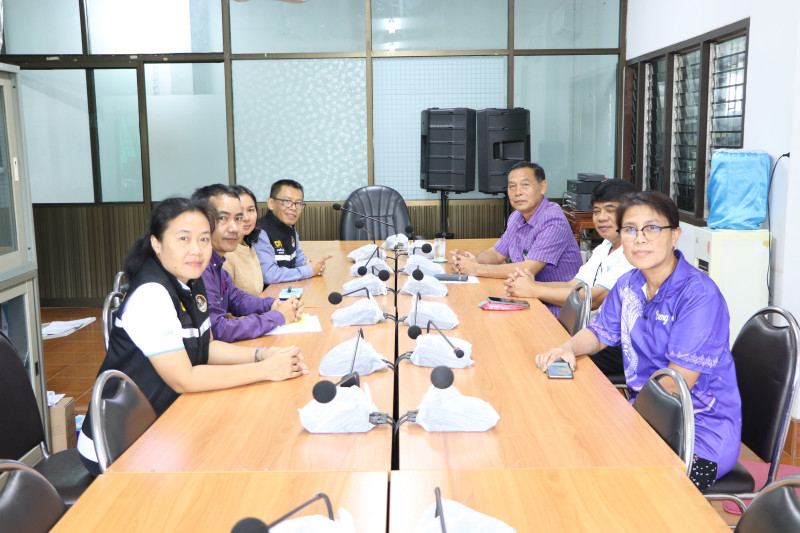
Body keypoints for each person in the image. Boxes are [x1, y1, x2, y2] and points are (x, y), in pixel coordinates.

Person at [77, 197, 308, 476]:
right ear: (157, 243)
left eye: (203, 239)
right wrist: (265, 370)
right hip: (122, 443)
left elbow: (206, 348)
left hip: (167, 418)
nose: (196, 250)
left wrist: (261, 355)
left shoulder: (191, 281)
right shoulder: (152, 295)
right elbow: (184, 379)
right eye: (183, 239)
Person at [535, 191, 742, 491]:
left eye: (652, 228)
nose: (640, 239)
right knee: (568, 451)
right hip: (644, 418)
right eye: (630, 229)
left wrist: (616, 421)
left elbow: (675, 385)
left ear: (675, 235)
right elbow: (599, 333)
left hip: (697, 435)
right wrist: (567, 348)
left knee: (610, 485)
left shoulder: (699, 296)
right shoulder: (629, 284)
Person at [504, 179, 637, 377]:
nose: (601, 218)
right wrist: (531, 284)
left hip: (617, 344)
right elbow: (574, 286)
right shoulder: (606, 246)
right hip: (590, 334)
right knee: (524, 344)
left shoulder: (635, 252)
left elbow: (593, 299)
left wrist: (533, 289)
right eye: (597, 211)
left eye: (610, 210)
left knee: (539, 361)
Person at [450, 161, 582, 316]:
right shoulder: (516, 217)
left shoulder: (553, 219)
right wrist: (467, 262)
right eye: (512, 186)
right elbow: (496, 254)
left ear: (543, 187)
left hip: (555, 309)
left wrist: (476, 269)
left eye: (525, 185)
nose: (518, 192)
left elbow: (527, 269)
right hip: (526, 299)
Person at [193, 184, 303, 343]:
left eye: (237, 218)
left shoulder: (216, 262)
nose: (234, 227)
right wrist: (277, 316)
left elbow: (236, 299)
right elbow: (217, 329)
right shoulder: (198, 266)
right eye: (223, 218)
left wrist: (274, 304)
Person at [254, 179, 332, 285]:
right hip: (267, 293)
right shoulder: (260, 232)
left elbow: (297, 257)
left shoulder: (290, 227)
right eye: (287, 201)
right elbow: (270, 275)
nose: (294, 208)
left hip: (286, 288)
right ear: (271, 203)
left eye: (298, 203)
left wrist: (309, 263)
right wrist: (309, 270)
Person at [222, 184, 266, 296]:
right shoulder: (224, 254)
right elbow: (228, 303)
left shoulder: (248, 246)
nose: (246, 218)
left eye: (251, 210)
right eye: (239, 211)